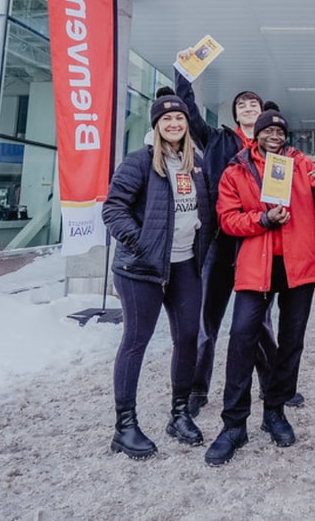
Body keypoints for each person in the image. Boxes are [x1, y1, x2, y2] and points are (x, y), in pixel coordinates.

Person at [203, 105, 315, 467]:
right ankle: (234, 424)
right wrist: (263, 219)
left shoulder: (302, 164)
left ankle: (275, 411)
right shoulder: (236, 169)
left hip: (299, 266)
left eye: (280, 132)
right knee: (241, 339)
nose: (274, 136)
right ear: (257, 134)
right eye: (268, 130)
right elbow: (228, 219)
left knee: (291, 343)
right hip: (256, 266)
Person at [174, 51, 302, 416]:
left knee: (259, 321)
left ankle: (273, 386)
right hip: (220, 241)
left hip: (260, 242)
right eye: (242, 104)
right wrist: (184, 73)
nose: (247, 107)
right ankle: (197, 389)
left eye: (253, 104)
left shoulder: (276, 150)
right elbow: (189, 112)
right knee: (207, 320)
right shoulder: (217, 140)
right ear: (235, 115)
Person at [101, 89, 213, 459]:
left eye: (179, 118)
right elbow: (113, 208)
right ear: (156, 125)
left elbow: (205, 211)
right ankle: (124, 427)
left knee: (188, 338)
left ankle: (179, 414)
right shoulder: (139, 162)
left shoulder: (196, 164)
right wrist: (141, 243)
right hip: (141, 270)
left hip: (184, 266)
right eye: (166, 119)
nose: (174, 123)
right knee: (136, 341)